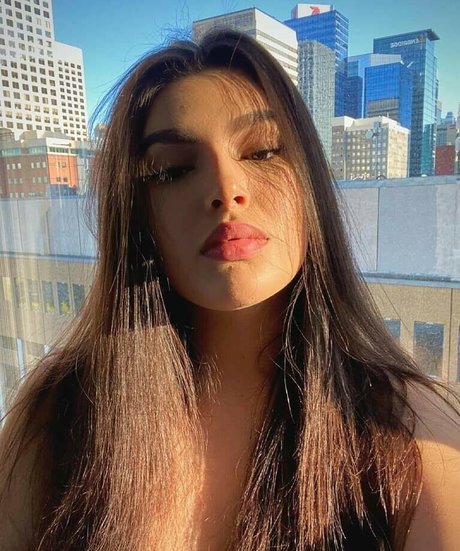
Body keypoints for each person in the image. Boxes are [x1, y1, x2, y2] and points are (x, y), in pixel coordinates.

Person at [0, 30, 459, 551]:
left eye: (263, 151)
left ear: (309, 183)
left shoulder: (413, 437)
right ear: (137, 215)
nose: (225, 189)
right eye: (173, 169)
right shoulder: (58, 415)